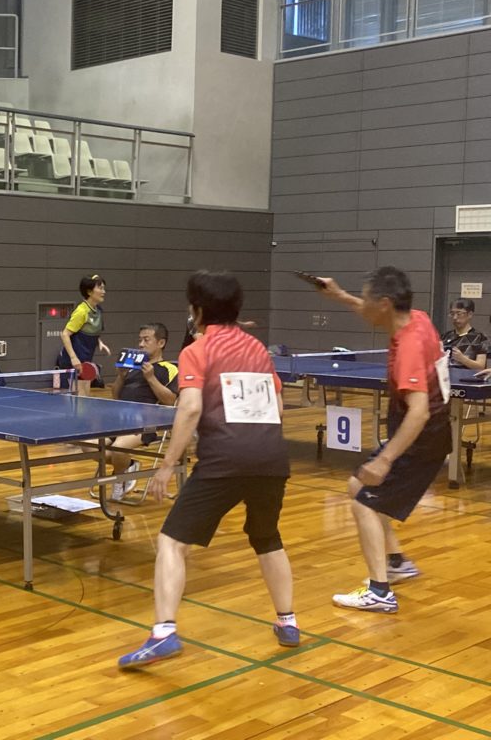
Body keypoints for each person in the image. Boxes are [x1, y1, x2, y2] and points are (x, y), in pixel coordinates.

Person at [118, 271, 297, 669]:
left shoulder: (197, 351)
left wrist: (167, 465)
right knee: (267, 536)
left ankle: (163, 633)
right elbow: (279, 407)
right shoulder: (257, 348)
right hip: (272, 458)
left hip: (224, 460)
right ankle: (287, 622)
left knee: (171, 542)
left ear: (197, 310)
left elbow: (190, 408)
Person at [312, 266, 450, 614]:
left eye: (368, 299)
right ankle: (396, 562)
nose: (364, 306)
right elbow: (369, 309)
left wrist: (385, 459)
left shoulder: (409, 347)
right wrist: (340, 295)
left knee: (364, 502)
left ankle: (379, 592)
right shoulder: (417, 319)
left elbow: (418, 412)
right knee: (358, 486)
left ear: (385, 303)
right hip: (425, 435)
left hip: (420, 438)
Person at [104, 323, 177, 501]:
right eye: (140, 340)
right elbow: (116, 395)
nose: (141, 344)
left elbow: (170, 400)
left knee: (118, 448)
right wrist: (121, 376)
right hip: (120, 419)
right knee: (89, 446)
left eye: (146, 340)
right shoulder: (132, 367)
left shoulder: (169, 368)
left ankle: (119, 481)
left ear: (161, 343)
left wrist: (150, 378)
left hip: (146, 423)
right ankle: (128, 465)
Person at [57, 274, 111, 396]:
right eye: (100, 288)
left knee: (85, 396)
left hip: (86, 361)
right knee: (79, 398)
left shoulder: (98, 311)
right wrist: (73, 358)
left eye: (104, 288)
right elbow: (65, 334)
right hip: (72, 361)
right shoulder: (81, 311)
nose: (104, 292)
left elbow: (93, 331)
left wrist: (100, 342)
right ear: (89, 291)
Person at [441, 298, 488, 370]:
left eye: (459, 314)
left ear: (470, 314)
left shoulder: (480, 337)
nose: (455, 317)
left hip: (468, 376)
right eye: (452, 314)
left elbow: (481, 366)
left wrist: (462, 359)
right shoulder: (445, 336)